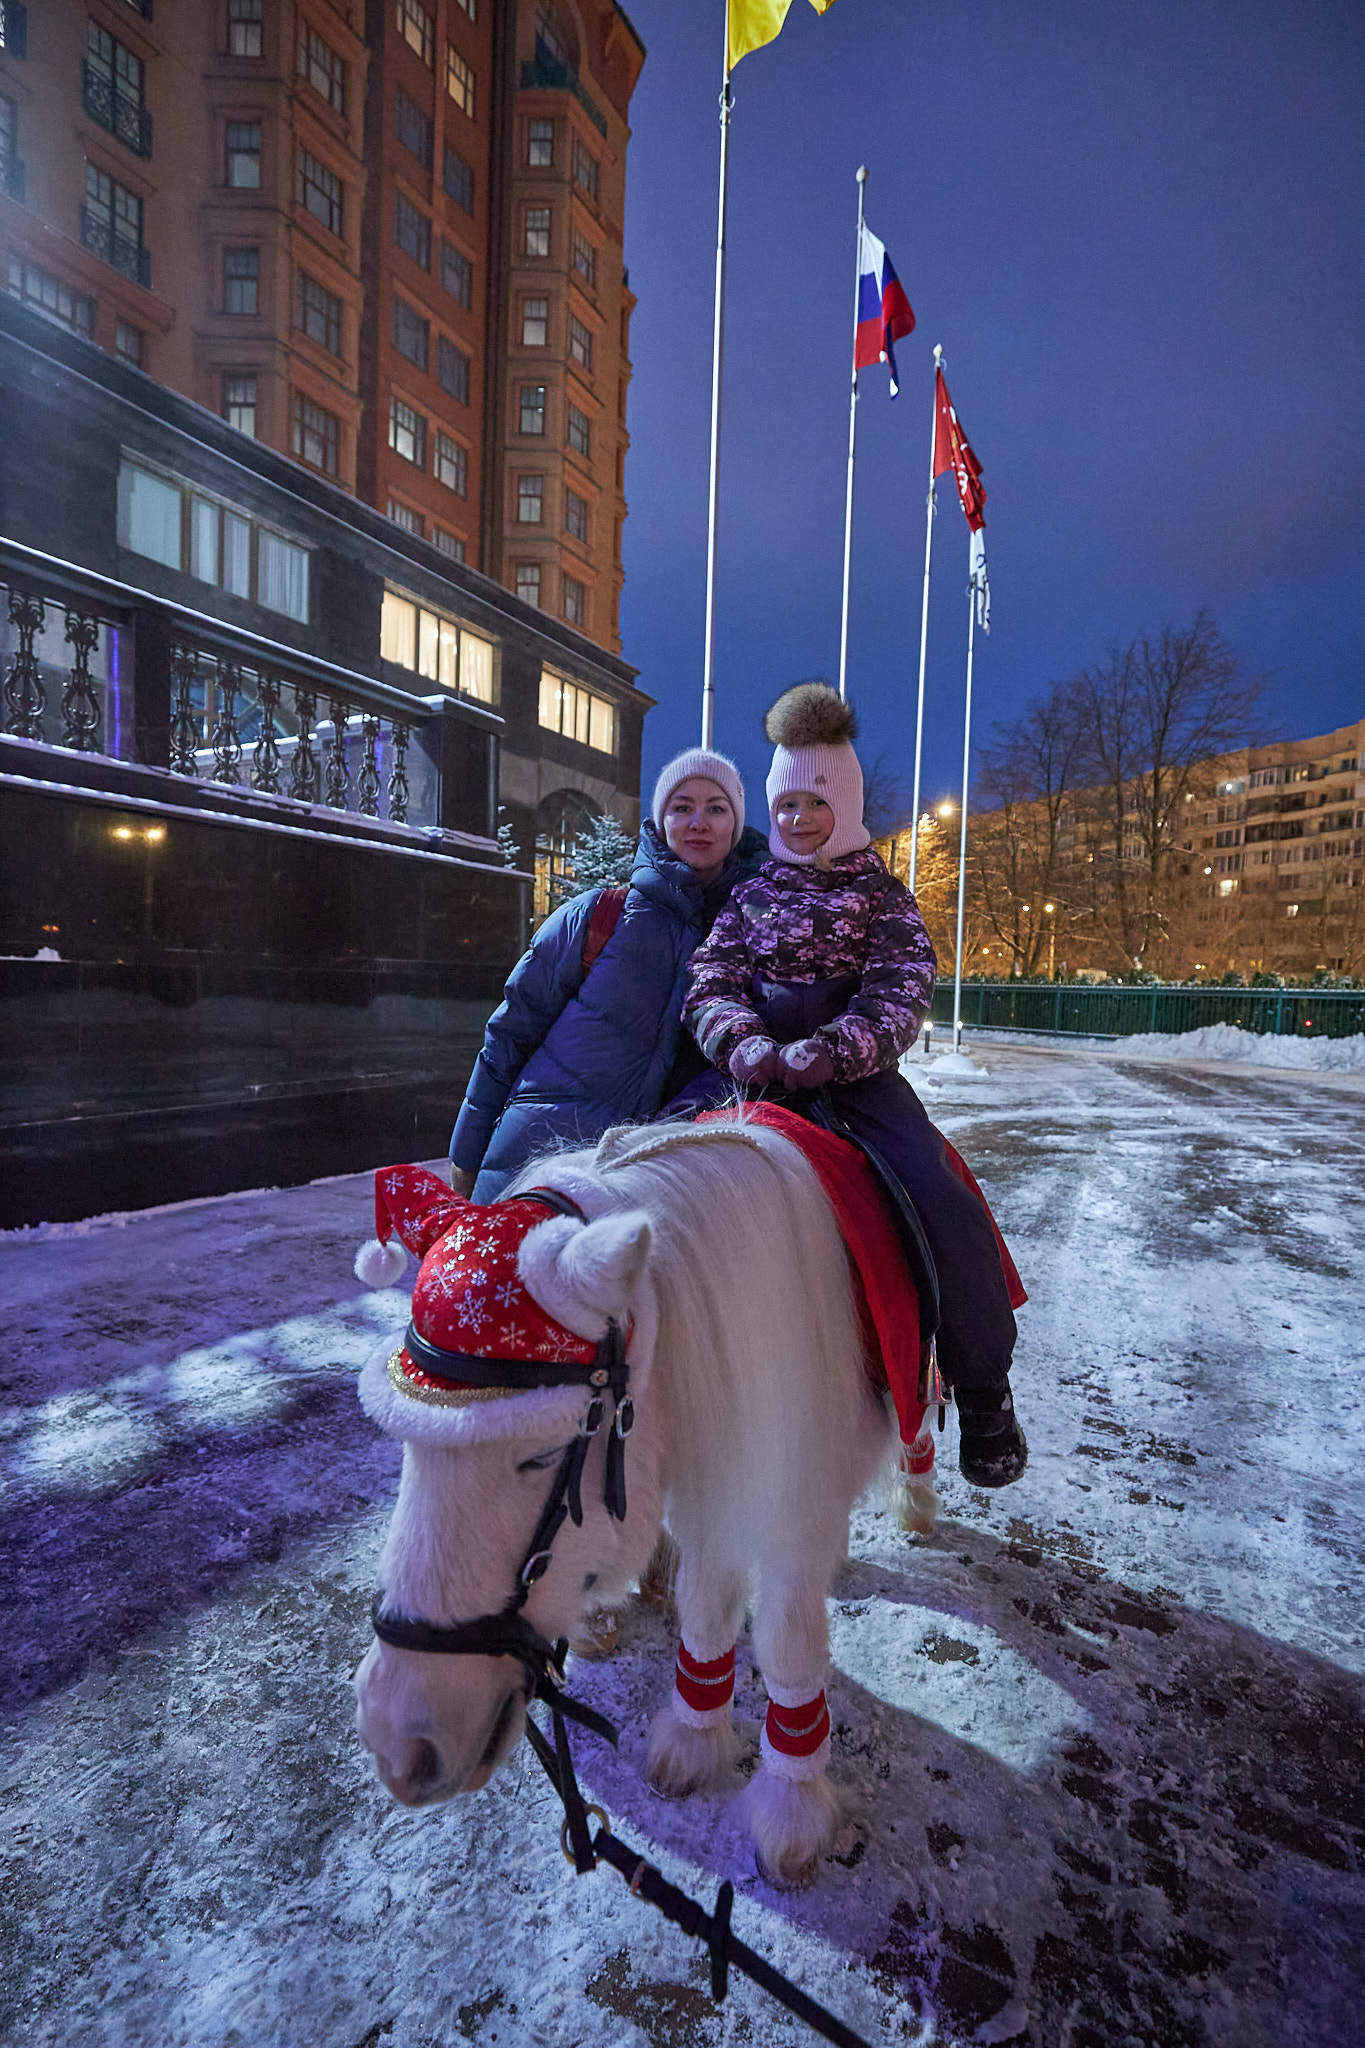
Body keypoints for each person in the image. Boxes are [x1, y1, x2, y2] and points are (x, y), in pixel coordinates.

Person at [681, 682, 1028, 1489]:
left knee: (943, 1201)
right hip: (758, 1083)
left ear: (845, 805)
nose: (799, 818)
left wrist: (838, 1049)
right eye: (786, 804)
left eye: (815, 802)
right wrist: (741, 1041)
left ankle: (983, 1387)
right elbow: (710, 982)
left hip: (859, 1087)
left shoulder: (882, 897)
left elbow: (902, 988)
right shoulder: (748, 896)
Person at [448, 748, 766, 1203]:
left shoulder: (759, 935)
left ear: (735, 825)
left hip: (662, 1191)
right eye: (682, 807)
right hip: (533, 1169)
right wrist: (466, 1156)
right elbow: (509, 1036)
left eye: (716, 809)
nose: (699, 822)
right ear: (661, 820)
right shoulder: (596, 916)